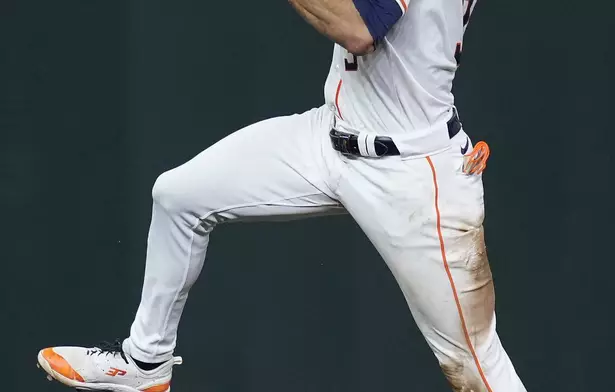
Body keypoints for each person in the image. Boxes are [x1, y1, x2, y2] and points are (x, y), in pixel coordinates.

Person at [37, 0, 527, 390]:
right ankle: (146, 362)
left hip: (413, 175)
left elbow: (358, 26)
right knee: (178, 196)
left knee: (475, 366)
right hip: (329, 138)